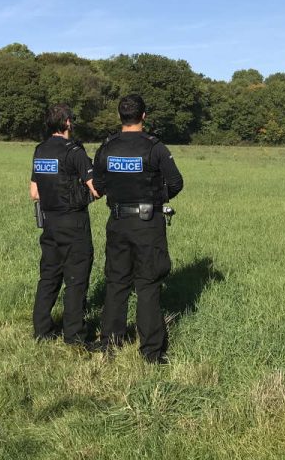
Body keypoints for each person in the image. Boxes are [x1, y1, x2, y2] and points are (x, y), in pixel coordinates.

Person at [91, 94, 184, 364]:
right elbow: (176, 182)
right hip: (148, 224)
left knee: (116, 281)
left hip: (118, 221)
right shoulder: (155, 147)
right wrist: (156, 198)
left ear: (120, 116)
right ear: (144, 116)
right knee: (148, 283)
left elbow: (98, 183)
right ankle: (151, 352)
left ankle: (110, 341)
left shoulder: (106, 147)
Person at [29, 103, 95, 346]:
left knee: (48, 275)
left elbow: (34, 192)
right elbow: (95, 187)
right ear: (68, 122)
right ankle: (74, 335)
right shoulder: (74, 151)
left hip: (49, 222)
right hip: (73, 222)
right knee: (76, 277)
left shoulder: (40, 149)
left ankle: (42, 330)